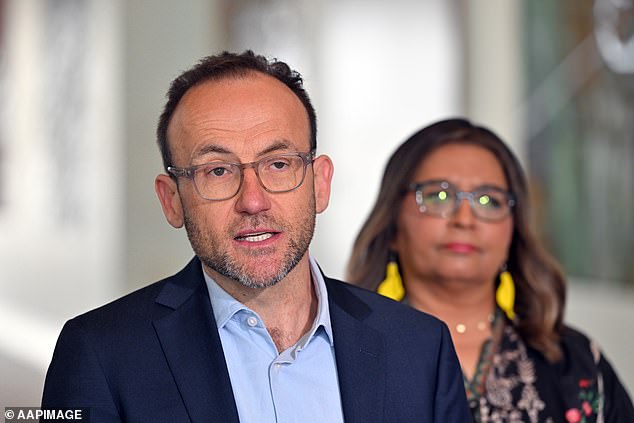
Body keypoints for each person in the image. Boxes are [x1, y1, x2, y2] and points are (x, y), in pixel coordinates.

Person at [41, 52, 470, 422]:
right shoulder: (100, 353)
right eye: (218, 171)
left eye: (279, 164)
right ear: (171, 200)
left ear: (320, 183)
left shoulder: (419, 348)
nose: (253, 200)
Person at [347, 118, 634, 422]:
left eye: (489, 200)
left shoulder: (576, 363)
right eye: (439, 196)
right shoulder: (347, 356)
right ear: (392, 223)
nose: (465, 219)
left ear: (514, 230)